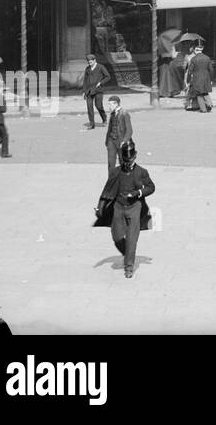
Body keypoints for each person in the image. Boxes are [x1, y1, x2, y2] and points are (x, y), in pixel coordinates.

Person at [93, 139, 155, 278]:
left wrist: (138, 193)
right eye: (125, 159)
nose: (128, 162)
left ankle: (129, 266)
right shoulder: (116, 172)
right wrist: (100, 207)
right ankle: (127, 252)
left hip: (135, 207)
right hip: (119, 207)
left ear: (135, 156)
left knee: (132, 240)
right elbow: (107, 190)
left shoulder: (142, 172)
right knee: (116, 236)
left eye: (130, 159)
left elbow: (151, 187)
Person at [103, 95, 132, 175]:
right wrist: (107, 140)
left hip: (121, 141)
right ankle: (111, 181)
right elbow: (110, 128)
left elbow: (129, 130)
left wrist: (124, 141)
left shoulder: (124, 114)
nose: (109, 106)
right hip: (111, 140)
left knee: (123, 162)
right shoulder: (112, 113)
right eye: (108, 104)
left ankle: (125, 181)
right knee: (111, 163)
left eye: (110, 104)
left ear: (116, 104)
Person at [81, 54, 111, 130]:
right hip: (89, 90)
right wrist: (84, 91)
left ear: (94, 60)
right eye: (88, 62)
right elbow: (85, 80)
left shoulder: (101, 67)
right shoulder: (87, 69)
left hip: (98, 90)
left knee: (98, 106)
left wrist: (100, 83)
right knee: (89, 107)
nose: (89, 63)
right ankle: (92, 124)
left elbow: (108, 76)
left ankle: (104, 118)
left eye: (90, 62)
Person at [184, 43, 213, 112]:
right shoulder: (207, 58)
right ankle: (209, 103)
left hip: (197, 78)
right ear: (201, 50)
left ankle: (203, 109)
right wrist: (211, 79)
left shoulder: (193, 59)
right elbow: (211, 70)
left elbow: (190, 71)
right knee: (205, 92)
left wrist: (188, 80)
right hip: (206, 78)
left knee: (199, 94)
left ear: (195, 50)